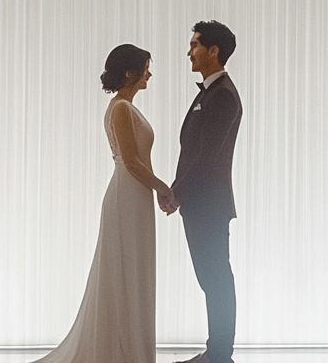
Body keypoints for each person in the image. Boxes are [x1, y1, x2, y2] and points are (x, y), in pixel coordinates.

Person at [31, 44, 177, 363]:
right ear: (130, 72)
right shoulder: (121, 109)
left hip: (134, 194)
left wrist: (157, 191)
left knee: (132, 270)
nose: (149, 73)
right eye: (146, 67)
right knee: (126, 271)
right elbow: (131, 161)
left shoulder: (123, 107)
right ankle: (125, 350)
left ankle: (127, 348)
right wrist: (164, 188)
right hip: (128, 193)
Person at [170, 21, 241, 363]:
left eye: (195, 44)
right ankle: (216, 351)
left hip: (208, 204)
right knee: (211, 278)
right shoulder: (211, 93)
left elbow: (207, 155)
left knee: (216, 279)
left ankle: (219, 354)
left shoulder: (223, 95)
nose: (189, 51)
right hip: (199, 204)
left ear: (214, 51)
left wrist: (176, 192)